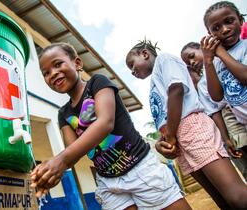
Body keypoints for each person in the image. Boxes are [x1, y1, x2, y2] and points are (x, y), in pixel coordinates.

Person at [31, 42, 192, 210]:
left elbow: (105, 122)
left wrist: (61, 160)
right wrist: (50, 173)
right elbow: (74, 150)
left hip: (140, 168)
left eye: (58, 64)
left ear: (77, 63)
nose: (53, 73)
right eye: (46, 73)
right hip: (108, 183)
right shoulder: (63, 114)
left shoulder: (97, 83)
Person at [126, 39, 247, 210]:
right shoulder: (156, 81)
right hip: (179, 139)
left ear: (145, 54)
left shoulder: (165, 60)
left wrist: (170, 136)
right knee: (221, 200)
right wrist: (164, 142)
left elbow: (177, 89)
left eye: (132, 65)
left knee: (235, 196)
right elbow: (164, 117)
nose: (132, 71)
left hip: (192, 128)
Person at [181, 41, 247, 181]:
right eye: (189, 62)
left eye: (192, 56)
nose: (192, 62)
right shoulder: (204, 83)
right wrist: (226, 138)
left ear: (201, 48)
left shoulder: (222, 61)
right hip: (229, 120)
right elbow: (215, 112)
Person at [201, 1, 247, 125]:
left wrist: (221, 53)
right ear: (210, 34)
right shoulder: (214, 63)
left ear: (241, 20)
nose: (225, 30)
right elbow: (217, 97)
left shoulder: (245, 46)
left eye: (229, 21)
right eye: (216, 28)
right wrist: (208, 61)